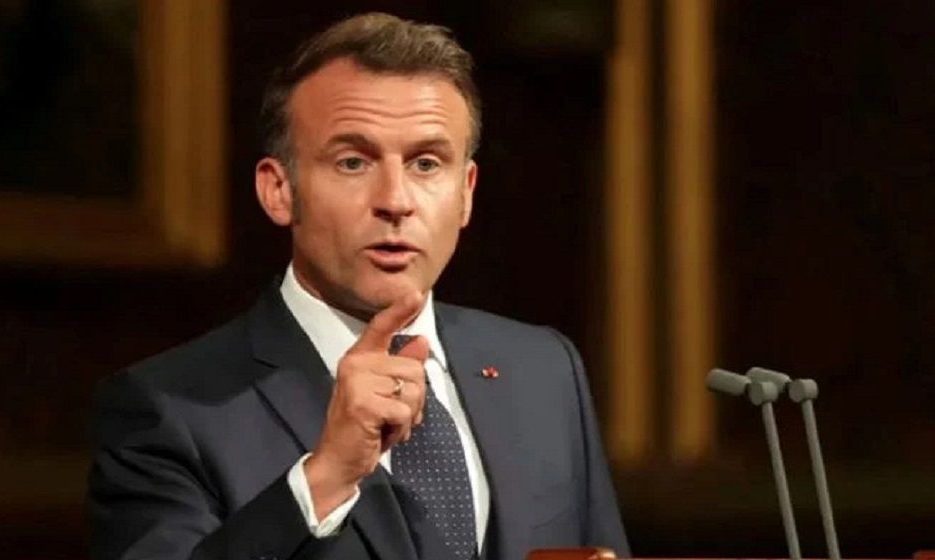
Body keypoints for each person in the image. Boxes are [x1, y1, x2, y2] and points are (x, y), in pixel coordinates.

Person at [88, 12, 629, 560]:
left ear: (466, 192)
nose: (395, 200)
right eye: (352, 162)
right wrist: (324, 478)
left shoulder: (544, 370)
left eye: (426, 163)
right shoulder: (168, 410)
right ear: (279, 190)